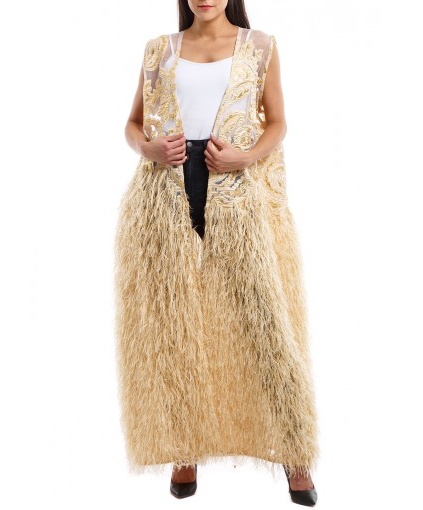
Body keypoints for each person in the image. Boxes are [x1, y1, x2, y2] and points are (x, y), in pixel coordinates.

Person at [117, 1, 319, 506]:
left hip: (236, 193)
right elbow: (133, 124)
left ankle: (295, 454)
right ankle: (184, 449)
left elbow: (277, 123)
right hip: (165, 196)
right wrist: (149, 149)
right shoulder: (159, 50)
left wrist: (245, 157)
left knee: (267, 325)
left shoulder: (259, 46)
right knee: (176, 327)